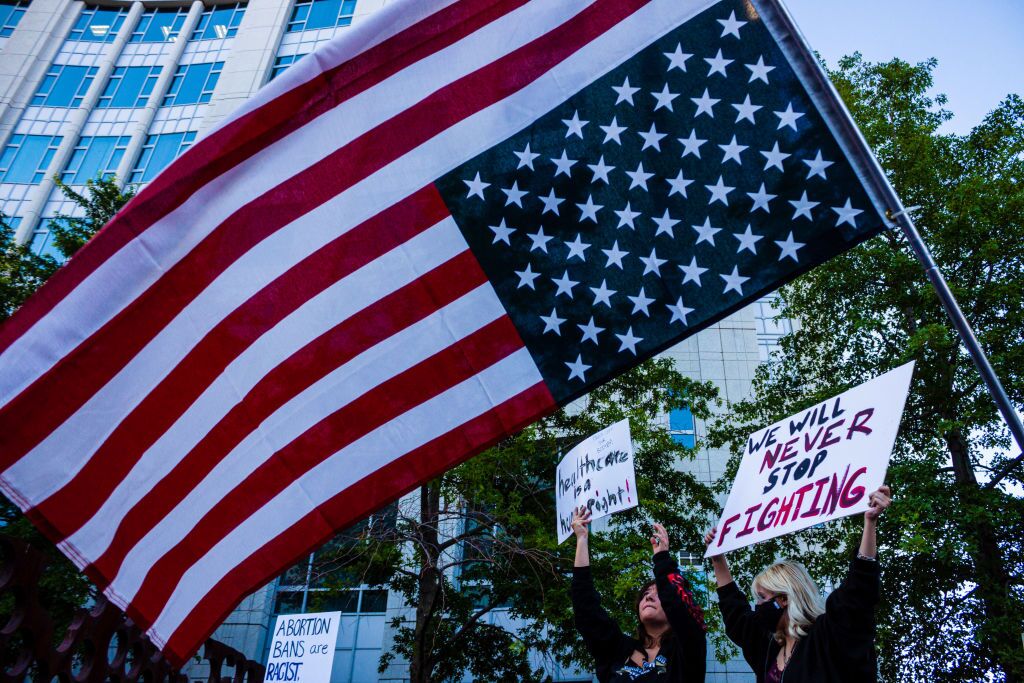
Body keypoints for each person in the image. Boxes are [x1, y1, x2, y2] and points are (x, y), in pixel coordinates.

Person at [704, 485, 892, 683]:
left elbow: (857, 594)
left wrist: (870, 522)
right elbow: (735, 613)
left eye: (762, 597)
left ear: (784, 599)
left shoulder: (826, 637)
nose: (757, 606)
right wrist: (717, 558)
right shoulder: (769, 647)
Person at [570, 506, 707, 682]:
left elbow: (679, 606)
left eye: (658, 594)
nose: (648, 597)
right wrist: (581, 539)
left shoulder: (686, 651)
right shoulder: (617, 649)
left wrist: (662, 559)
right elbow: (586, 608)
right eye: (645, 594)